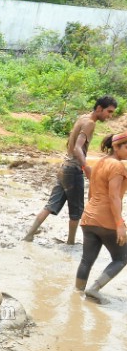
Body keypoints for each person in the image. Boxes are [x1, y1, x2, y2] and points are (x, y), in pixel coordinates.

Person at [24, 96, 118, 244]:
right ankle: (71, 243)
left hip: (65, 167)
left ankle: (29, 235)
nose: (110, 116)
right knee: (76, 211)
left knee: (50, 205)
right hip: (73, 170)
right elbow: (77, 147)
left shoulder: (83, 118)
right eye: (109, 111)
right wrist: (86, 167)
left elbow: (70, 142)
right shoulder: (90, 123)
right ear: (99, 108)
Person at [75, 132, 127, 302]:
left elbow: (91, 191)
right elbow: (114, 197)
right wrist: (120, 224)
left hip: (88, 218)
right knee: (122, 258)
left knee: (86, 260)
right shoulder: (118, 167)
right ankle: (94, 289)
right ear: (116, 147)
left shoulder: (99, 162)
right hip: (107, 221)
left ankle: (77, 294)